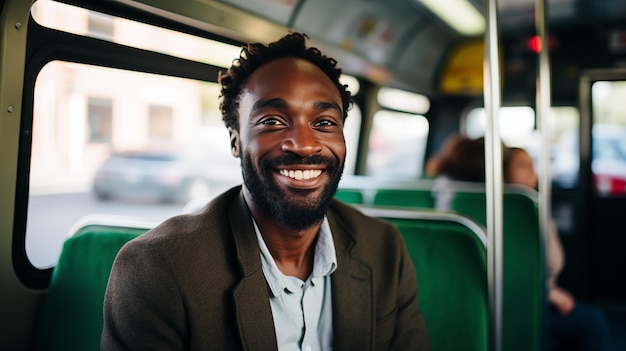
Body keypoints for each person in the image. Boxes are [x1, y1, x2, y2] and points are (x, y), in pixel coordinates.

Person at [101, 32, 430, 350]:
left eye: (325, 123)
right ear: (235, 141)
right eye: (272, 121)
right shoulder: (159, 269)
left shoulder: (383, 249)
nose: (303, 145)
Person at [503, 147, 611, 351]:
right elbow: (509, 270)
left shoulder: (533, 208)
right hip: (524, 300)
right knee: (594, 322)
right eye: (523, 166)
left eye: (532, 166)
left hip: (537, 295)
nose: (532, 173)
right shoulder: (510, 213)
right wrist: (548, 293)